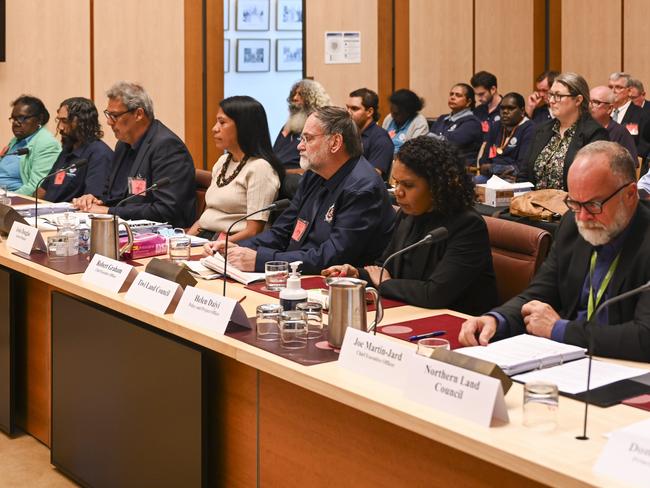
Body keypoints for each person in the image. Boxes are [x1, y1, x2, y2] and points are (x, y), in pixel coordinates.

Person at [459, 141, 650, 362]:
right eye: (574, 203)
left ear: (629, 194)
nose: (583, 217)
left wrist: (559, 329)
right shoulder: (572, 225)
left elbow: (644, 338)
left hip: (626, 369)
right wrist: (496, 319)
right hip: (570, 359)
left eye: (593, 205)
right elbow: (538, 295)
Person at [204, 106, 396, 275]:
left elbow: (332, 256)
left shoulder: (362, 188)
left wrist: (261, 260)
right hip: (299, 273)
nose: (299, 146)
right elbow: (281, 232)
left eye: (308, 139)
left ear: (335, 143)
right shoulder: (315, 174)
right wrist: (235, 248)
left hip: (338, 286)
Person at [322, 136, 497, 315]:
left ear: (437, 185)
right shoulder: (408, 214)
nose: (398, 192)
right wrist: (357, 275)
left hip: (457, 326)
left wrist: (384, 284)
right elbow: (384, 267)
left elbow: (434, 294)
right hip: (409, 312)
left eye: (408, 185)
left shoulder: (468, 226)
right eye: (396, 182)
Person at [72, 81, 196, 228]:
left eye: (114, 116)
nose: (108, 122)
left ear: (138, 114)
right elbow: (112, 196)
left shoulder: (167, 147)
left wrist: (109, 211)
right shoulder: (123, 145)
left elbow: (166, 210)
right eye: (108, 114)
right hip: (124, 228)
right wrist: (95, 200)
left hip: (161, 235)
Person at [187, 96, 284, 240]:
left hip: (233, 243)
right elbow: (206, 218)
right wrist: (184, 240)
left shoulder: (260, 168)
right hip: (205, 237)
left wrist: (215, 246)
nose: (214, 129)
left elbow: (253, 231)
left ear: (243, 126)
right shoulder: (223, 161)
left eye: (222, 122)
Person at [518, 72, 608, 190]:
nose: (551, 101)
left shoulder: (594, 133)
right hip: (533, 203)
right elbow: (524, 174)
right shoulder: (541, 129)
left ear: (578, 100)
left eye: (558, 96)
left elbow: (594, 182)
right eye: (551, 95)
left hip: (570, 205)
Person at [38, 97, 113, 202]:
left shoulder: (99, 154)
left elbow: (92, 201)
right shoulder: (68, 148)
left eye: (65, 121)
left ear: (83, 122)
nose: (60, 127)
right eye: (59, 121)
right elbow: (43, 189)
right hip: (46, 211)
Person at [0, 95, 60, 195]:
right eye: (14, 119)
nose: (16, 123)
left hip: (14, 201)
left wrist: (7, 200)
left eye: (22, 118)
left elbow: (36, 186)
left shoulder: (47, 144)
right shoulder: (16, 140)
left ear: (39, 119)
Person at [273, 79, 331, 173]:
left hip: (297, 178)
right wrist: (285, 133)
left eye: (300, 94)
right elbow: (274, 155)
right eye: (294, 94)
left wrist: (284, 173)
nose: (295, 98)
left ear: (312, 99)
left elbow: (316, 168)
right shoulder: (290, 125)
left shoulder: (320, 125)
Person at [476, 92, 534, 183]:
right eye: (502, 108)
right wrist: (496, 171)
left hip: (514, 179)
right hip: (492, 177)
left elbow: (520, 167)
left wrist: (492, 168)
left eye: (511, 108)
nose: (505, 112)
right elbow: (483, 162)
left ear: (522, 111)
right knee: (471, 183)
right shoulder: (496, 126)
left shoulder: (529, 129)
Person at [429, 83, 483, 165]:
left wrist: (435, 139)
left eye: (458, 95)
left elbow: (451, 144)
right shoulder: (442, 118)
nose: (452, 97)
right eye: (451, 94)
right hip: (439, 164)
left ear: (468, 102)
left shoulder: (472, 123)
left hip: (461, 168)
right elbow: (428, 141)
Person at [346, 88, 394, 180]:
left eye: (354, 109)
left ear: (369, 112)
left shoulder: (381, 139)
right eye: (347, 107)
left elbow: (372, 177)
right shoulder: (349, 133)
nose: (348, 112)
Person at [588, 86, 637, 161]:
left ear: (610, 108)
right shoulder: (582, 128)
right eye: (589, 101)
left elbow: (630, 164)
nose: (590, 106)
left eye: (596, 102)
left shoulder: (620, 132)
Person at [608, 72, 650, 159]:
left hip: (629, 164)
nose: (613, 91)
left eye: (618, 87)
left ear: (629, 91)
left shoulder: (642, 115)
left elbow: (643, 147)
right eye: (610, 87)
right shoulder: (604, 112)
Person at [382, 89, 429, 154]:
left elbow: (414, 152)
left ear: (409, 112)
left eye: (396, 114)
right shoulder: (389, 118)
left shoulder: (420, 123)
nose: (392, 116)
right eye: (391, 111)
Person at [470, 70, 502, 135]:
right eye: (476, 94)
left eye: (481, 94)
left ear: (493, 89)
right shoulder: (477, 111)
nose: (478, 99)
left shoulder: (508, 109)